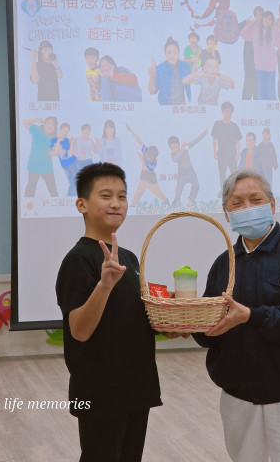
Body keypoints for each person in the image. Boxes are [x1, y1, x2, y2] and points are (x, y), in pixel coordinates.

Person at [193, 168, 280, 462]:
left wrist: (251, 316)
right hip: (238, 395)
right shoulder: (223, 264)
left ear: (272, 205)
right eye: (237, 203)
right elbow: (210, 334)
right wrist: (190, 322)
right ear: (226, 214)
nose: (247, 209)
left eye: (255, 200)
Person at [55, 162, 162, 461]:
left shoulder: (128, 258)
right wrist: (104, 285)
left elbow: (133, 320)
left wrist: (170, 321)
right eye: (106, 195)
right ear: (82, 205)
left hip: (136, 386)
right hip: (100, 392)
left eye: (122, 196)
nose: (116, 203)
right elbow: (79, 330)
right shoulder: (78, 259)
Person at [240, 10, 280, 100]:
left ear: (272, 21)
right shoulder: (255, 30)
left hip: (270, 67)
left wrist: (279, 32)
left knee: (271, 93)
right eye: (265, 17)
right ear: (262, 18)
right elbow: (243, 34)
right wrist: (248, 25)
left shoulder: (273, 31)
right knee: (261, 93)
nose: (267, 20)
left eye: (270, 19)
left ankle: (273, 109)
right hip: (259, 67)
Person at [126, 123, 170, 207]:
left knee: (158, 193)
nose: (147, 157)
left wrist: (141, 158)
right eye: (147, 156)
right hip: (143, 178)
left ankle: (166, 201)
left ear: (153, 158)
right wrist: (131, 130)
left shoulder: (154, 163)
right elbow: (138, 140)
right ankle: (133, 205)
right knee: (138, 193)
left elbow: (145, 169)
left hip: (151, 181)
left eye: (149, 157)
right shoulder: (146, 151)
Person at [167, 127, 208, 206]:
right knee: (178, 189)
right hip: (181, 173)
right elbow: (175, 159)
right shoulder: (173, 154)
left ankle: (191, 198)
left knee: (196, 185)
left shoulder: (185, 148)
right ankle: (176, 200)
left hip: (190, 171)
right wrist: (182, 149)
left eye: (176, 146)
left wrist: (204, 134)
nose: (175, 149)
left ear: (179, 145)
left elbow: (194, 141)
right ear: (170, 149)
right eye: (172, 148)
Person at [148, 37, 192, 105]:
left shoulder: (185, 66)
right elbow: (152, 92)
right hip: (164, 106)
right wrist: (151, 77)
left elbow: (192, 80)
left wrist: (194, 72)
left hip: (180, 106)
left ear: (179, 54)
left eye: (175, 53)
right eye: (169, 53)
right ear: (165, 54)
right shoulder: (159, 69)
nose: (172, 56)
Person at [211, 101, 242, 197]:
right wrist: (214, 152)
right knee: (222, 173)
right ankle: (223, 190)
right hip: (221, 154)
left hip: (232, 154)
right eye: (226, 111)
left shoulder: (234, 126)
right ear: (222, 112)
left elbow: (238, 141)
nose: (228, 114)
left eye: (230, 112)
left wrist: (238, 153)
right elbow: (214, 139)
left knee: (234, 173)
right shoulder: (217, 124)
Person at [23, 116, 59, 197]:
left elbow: (53, 153)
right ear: (44, 124)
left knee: (54, 193)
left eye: (53, 124)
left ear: (55, 127)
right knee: (29, 191)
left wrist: (58, 144)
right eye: (48, 123)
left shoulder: (54, 139)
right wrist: (36, 119)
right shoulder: (37, 130)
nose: (50, 125)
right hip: (33, 167)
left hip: (47, 168)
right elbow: (24, 122)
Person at [240, 6, 264, 100]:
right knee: (248, 75)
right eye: (256, 15)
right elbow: (242, 34)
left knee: (257, 75)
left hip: (259, 50)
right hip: (249, 48)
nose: (258, 17)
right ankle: (246, 99)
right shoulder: (251, 24)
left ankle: (256, 100)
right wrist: (248, 25)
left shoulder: (264, 26)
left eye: (260, 15)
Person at [50, 122, 78, 197]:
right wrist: (58, 141)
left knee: (76, 182)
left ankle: (71, 198)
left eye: (67, 131)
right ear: (60, 130)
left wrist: (72, 143)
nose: (65, 133)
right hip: (65, 165)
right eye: (64, 130)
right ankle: (69, 198)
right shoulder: (53, 140)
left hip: (74, 162)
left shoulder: (68, 140)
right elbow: (55, 152)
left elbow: (70, 154)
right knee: (73, 183)